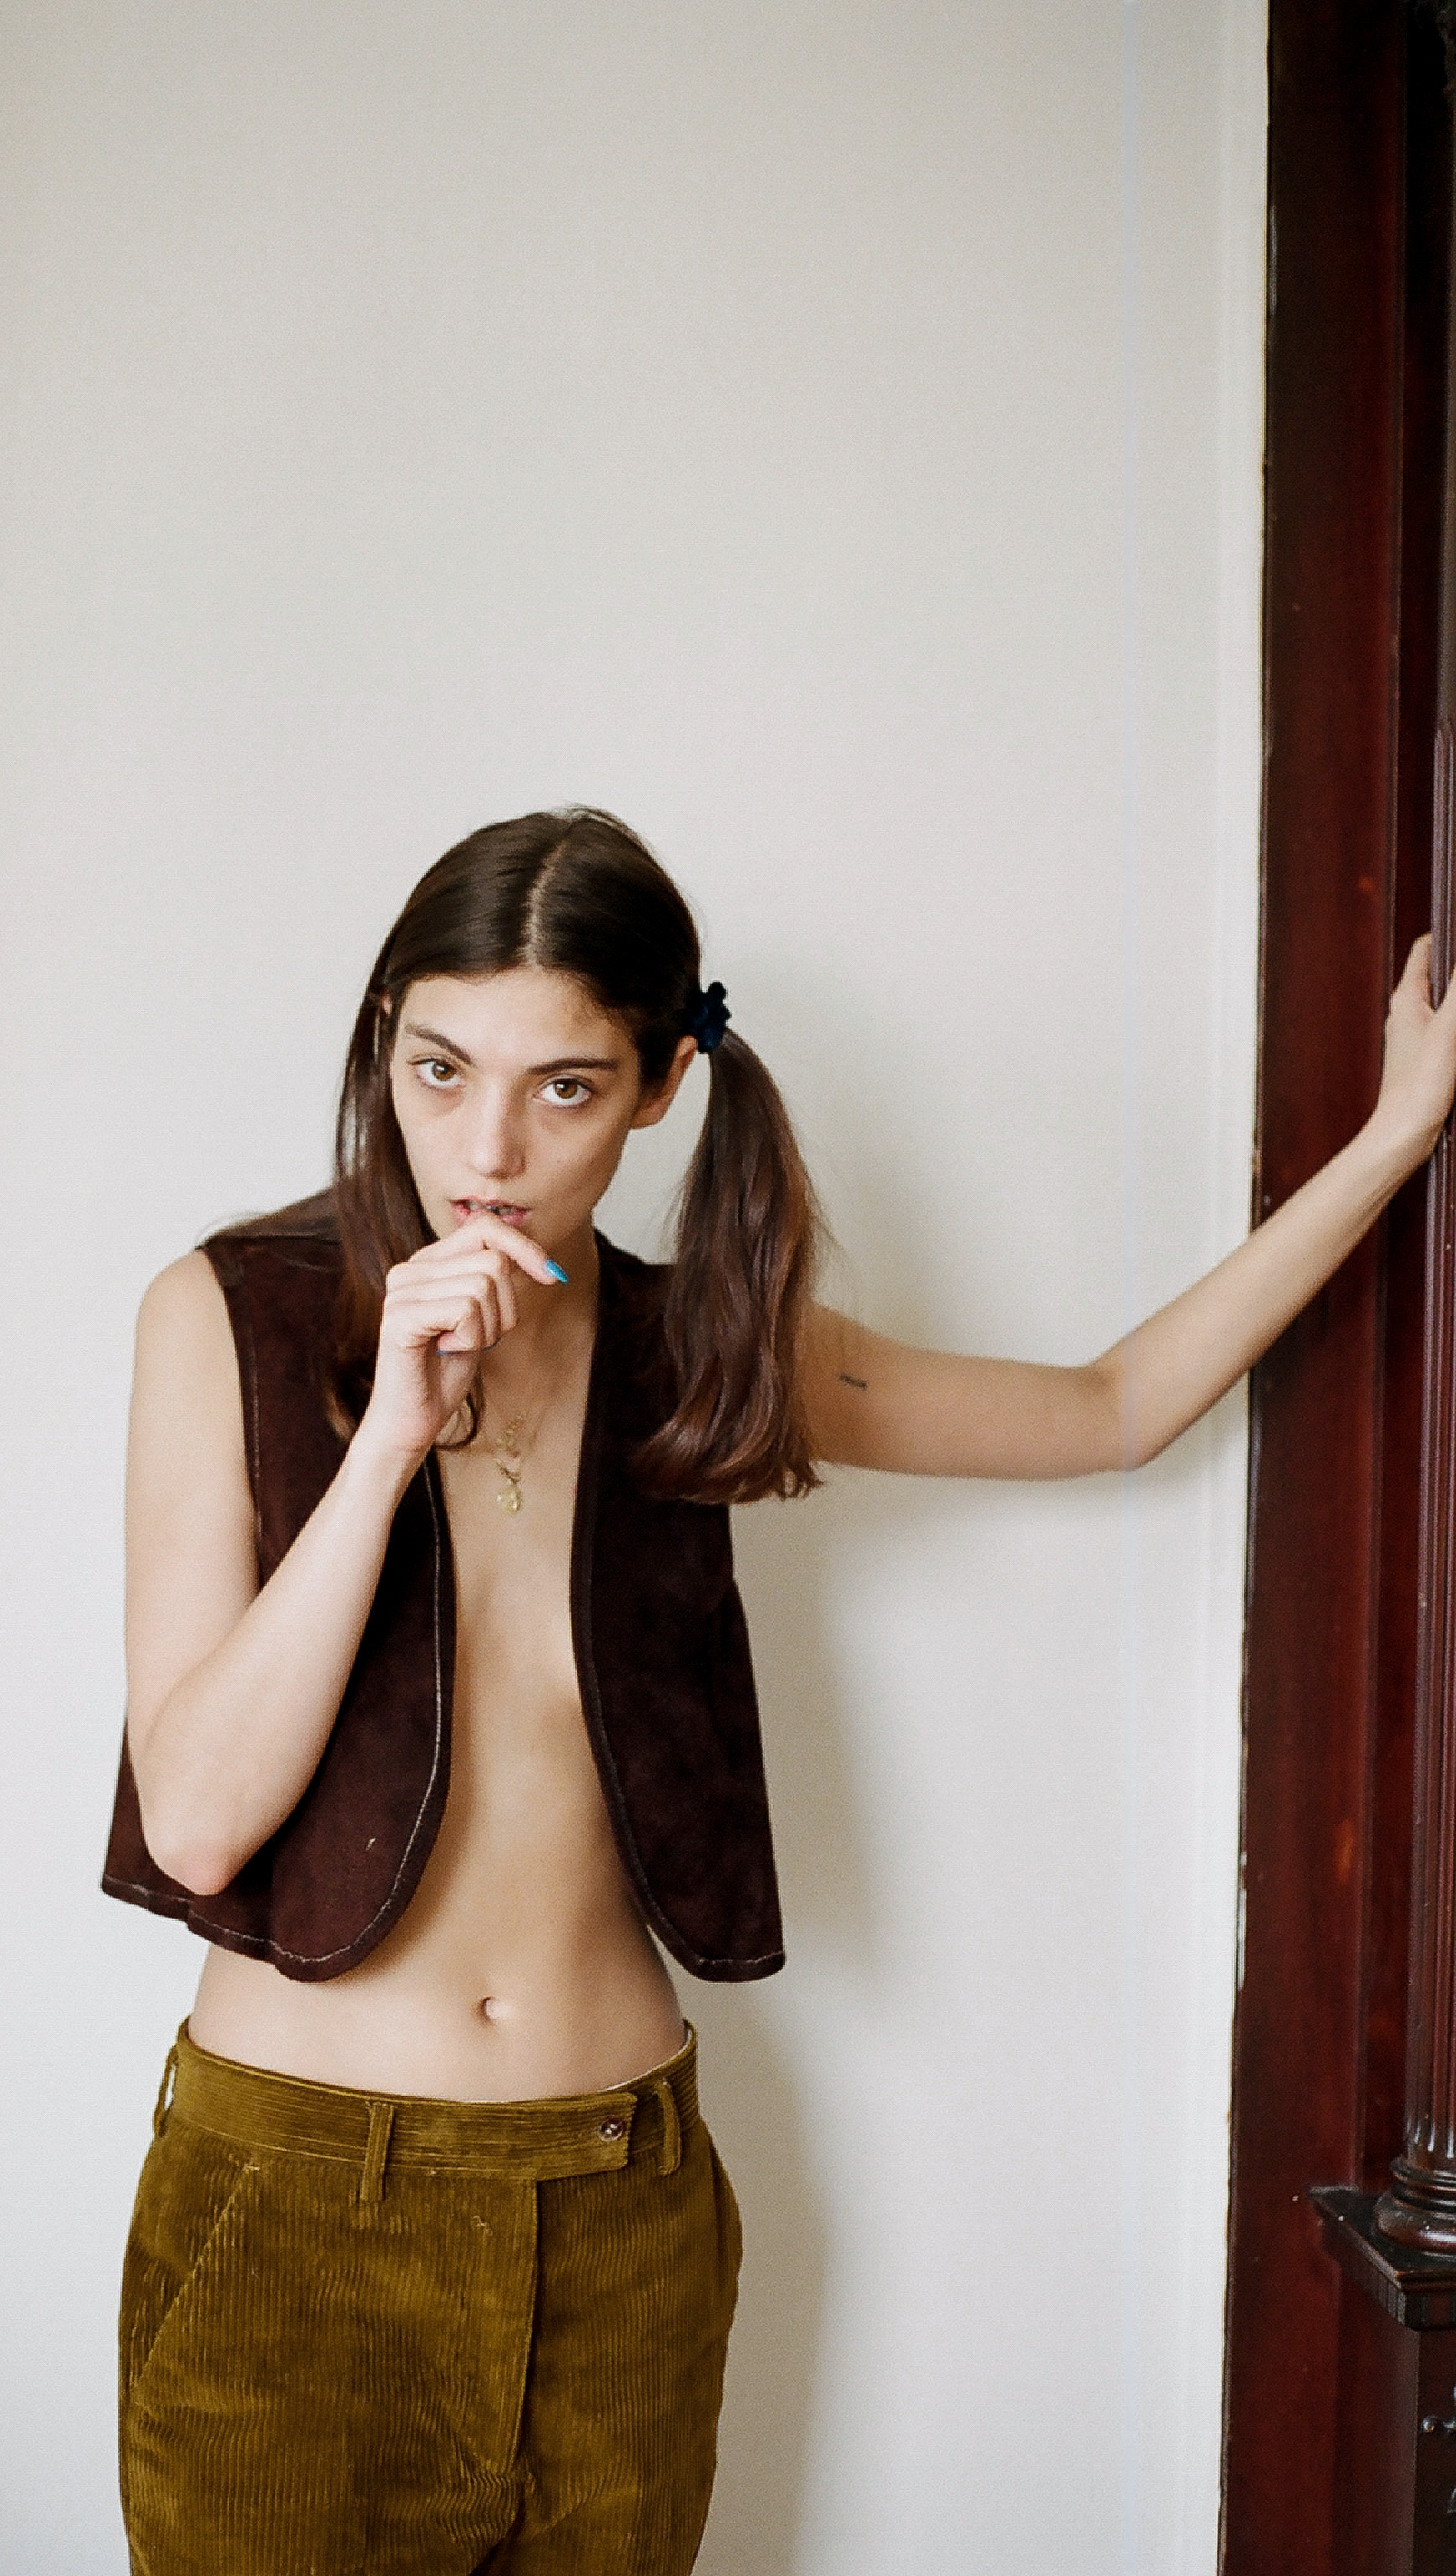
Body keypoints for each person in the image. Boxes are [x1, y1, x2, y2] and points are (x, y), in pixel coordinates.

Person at [102, 806, 1456, 2576]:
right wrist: (385, 1448)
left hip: (620, 2202)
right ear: (383, 1046)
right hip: (296, 2203)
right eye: (440, 1068)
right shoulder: (228, 1315)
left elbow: (1108, 1407)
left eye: (564, 1087)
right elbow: (200, 1817)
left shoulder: (700, 1347)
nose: (486, 1148)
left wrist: (1394, 1136)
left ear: (663, 1084)